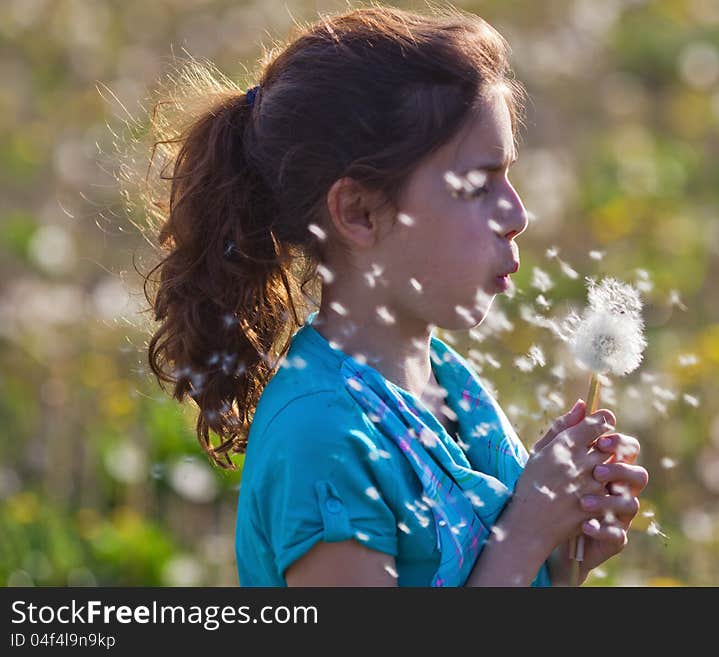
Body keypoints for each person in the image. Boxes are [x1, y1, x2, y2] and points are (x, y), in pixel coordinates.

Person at [141, 3, 648, 587]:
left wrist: (560, 559)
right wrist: (528, 530)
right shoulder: (325, 441)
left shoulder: (449, 386)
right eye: (477, 185)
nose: (517, 214)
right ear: (358, 212)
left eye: (509, 176)